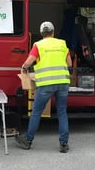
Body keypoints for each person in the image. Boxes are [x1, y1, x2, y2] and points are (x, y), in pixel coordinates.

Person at [16, 21, 72, 153]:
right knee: (62, 112)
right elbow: (69, 63)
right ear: (53, 32)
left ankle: (28, 140)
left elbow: (29, 62)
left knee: (36, 111)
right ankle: (64, 144)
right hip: (63, 82)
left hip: (46, 84)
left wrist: (24, 68)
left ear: (42, 33)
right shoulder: (62, 44)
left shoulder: (38, 45)